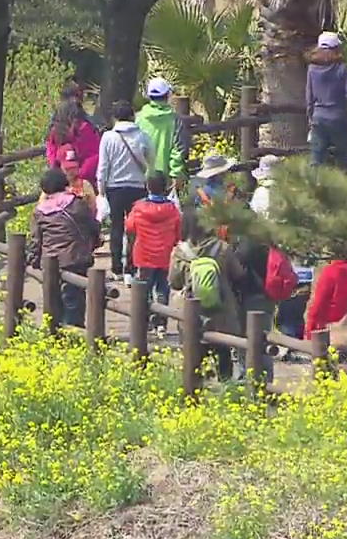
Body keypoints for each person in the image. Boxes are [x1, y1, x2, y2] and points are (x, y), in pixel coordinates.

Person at [169, 211, 246, 380]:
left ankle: (193, 393)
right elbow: (238, 274)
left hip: (191, 313)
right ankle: (225, 389)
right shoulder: (222, 248)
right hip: (221, 312)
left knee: (193, 358)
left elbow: (174, 282)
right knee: (223, 354)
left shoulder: (180, 252)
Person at [30, 169, 100, 328]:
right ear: (64, 183)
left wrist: (35, 260)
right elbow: (93, 227)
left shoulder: (40, 211)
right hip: (76, 258)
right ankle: (74, 333)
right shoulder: (77, 204)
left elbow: (36, 240)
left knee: (53, 299)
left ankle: (55, 334)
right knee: (74, 299)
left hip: (50, 261)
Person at [97, 100, 155, 280]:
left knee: (116, 228)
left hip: (114, 188)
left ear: (115, 117)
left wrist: (101, 190)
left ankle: (116, 268)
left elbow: (103, 166)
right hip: (138, 188)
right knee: (135, 230)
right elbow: (151, 163)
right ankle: (131, 267)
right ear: (132, 116)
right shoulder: (143, 136)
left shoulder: (108, 137)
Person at [126, 172, 182, 335]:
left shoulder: (138, 207)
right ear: (165, 187)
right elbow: (179, 233)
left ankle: (146, 322)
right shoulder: (172, 209)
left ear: (147, 187)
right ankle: (161, 323)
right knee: (163, 291)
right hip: (165, 256)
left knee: (144, 290)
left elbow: (129, 227)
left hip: (144, 256)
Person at [232, 233, 276, 384]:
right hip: (267, 295)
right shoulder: (267, 242)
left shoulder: (248, 243)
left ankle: (252, 381)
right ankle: (266, 381)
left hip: (252, 297)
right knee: (263, 339)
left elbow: (237, 265)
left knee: (251, 340)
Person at [306, 31, 347, 167]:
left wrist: (311, 117)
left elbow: (309, 98)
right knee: (342, 157)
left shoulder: (312, 69)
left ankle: (315, 186)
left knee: (316, 159)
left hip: (319, 118)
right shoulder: (342, 69)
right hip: (339, 117)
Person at [137, 77, 187, 186]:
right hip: (165, 179)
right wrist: (175, 174)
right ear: (167, 95)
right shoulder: (175, 120)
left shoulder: (139, 118)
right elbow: (178, 150)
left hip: (140, 177)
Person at [45, 99, 100, 190]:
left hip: (77, 180)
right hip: (72, 180)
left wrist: (78, 175)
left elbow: (52, 156)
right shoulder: (56, 133)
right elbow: (93, 155)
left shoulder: (83, 129)